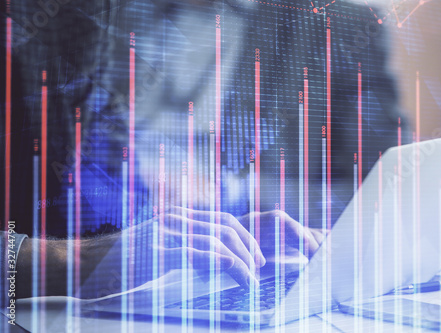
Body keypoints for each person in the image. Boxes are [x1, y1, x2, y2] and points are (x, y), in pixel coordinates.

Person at [1, 0, 404, 310]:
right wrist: (74, 260)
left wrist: (232, 198)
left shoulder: (337, 26)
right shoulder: (44, 14)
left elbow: (390, 188)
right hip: (57, 298)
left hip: (230, 276)